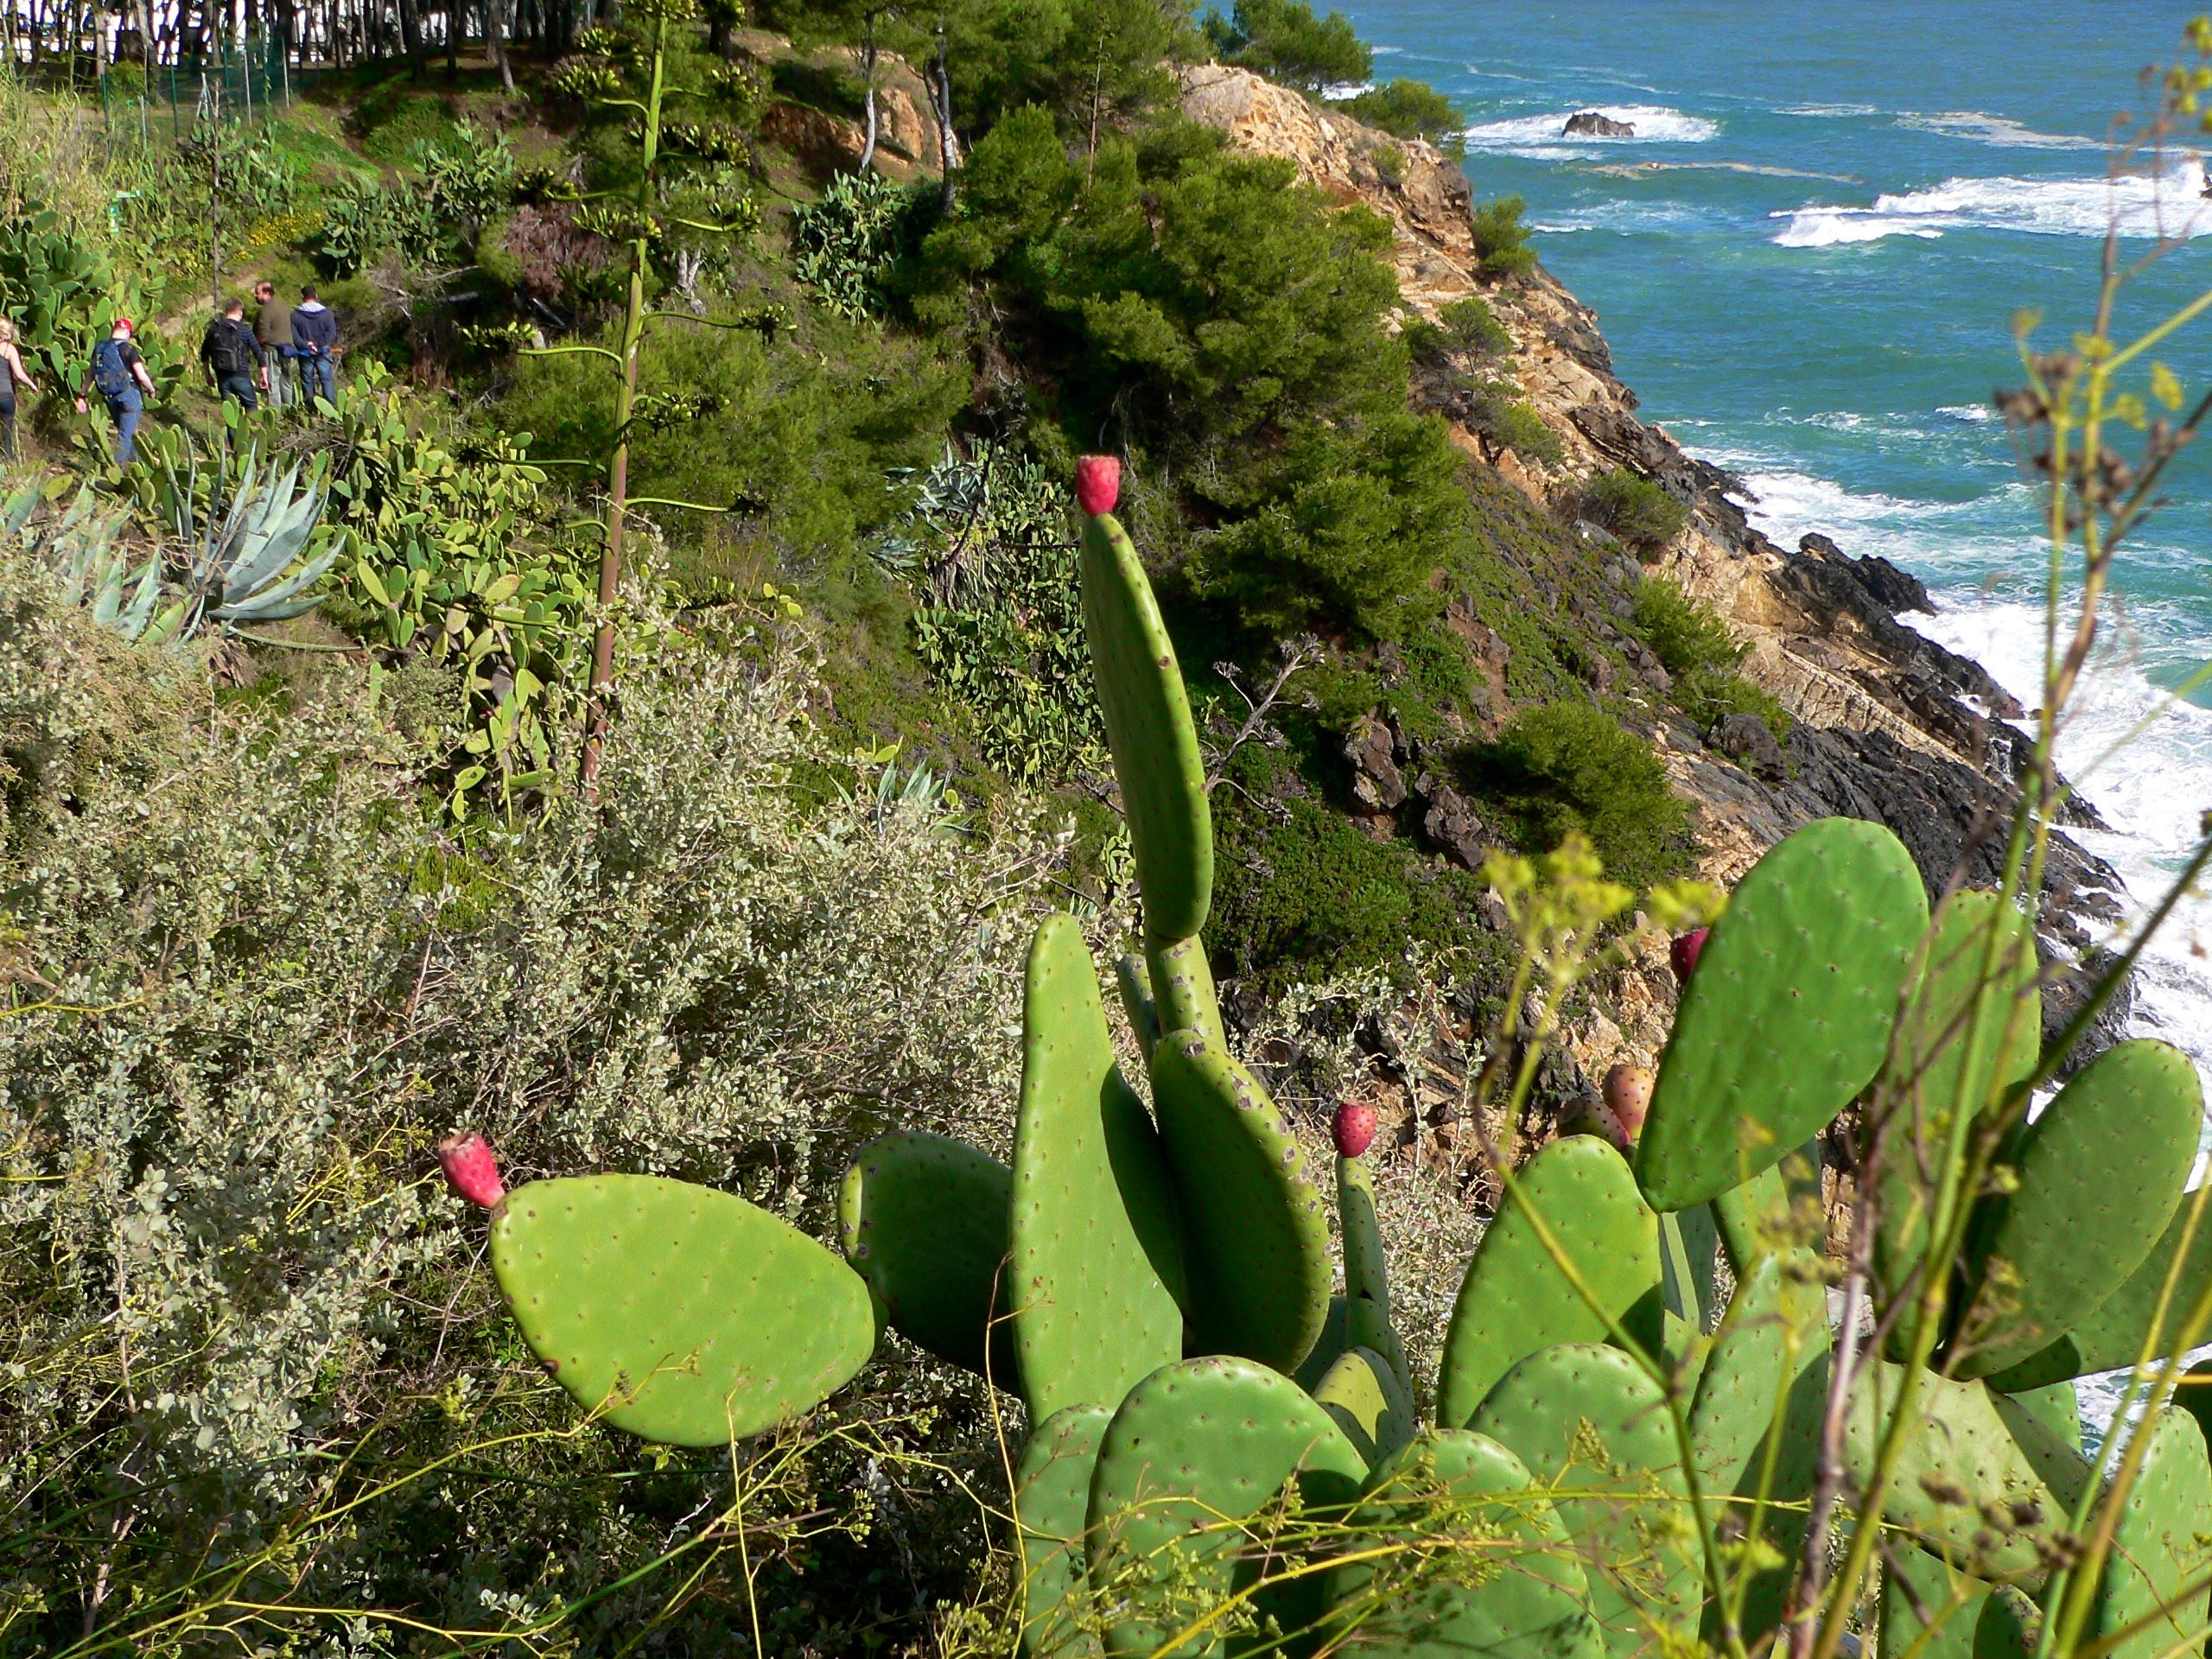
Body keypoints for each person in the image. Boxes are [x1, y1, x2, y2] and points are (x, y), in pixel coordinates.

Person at [73, 317, 156, 466]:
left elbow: (90, 374)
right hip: (130, 396)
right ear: (128, 333)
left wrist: (82, 396)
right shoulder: (129, 349)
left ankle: (139, 467)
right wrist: (151, 390)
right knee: (125, 437)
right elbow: (141, 376)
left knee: (128, 434)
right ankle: (116, 470)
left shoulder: (100, 349)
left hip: (111, 398)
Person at [201, 298, 263, 410]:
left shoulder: (214, 328)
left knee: (230, 410)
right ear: (240, 312)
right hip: (241, 375)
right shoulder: (245, 330)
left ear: (226, 311)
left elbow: (204, 353)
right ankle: (249, 421)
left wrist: (208, 375)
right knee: (251, 408)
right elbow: (258, 353)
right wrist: (264, 375)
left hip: (222, 377)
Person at [292, 283, 340, 407]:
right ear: (316, 296)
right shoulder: (327, 313)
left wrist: (307, 345)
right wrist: (318, 344)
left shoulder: (296, 315)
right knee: (326, 380)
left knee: (307, 380)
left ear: (302, 297)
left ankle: (310, 408)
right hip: (323, 351)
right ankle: (330, 408)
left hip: (305, 352)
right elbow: (331, 334)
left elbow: (295, 337)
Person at [0, 318, 38, 461]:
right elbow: (19, 374)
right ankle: (8, 461)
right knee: (7, 434)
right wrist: (31, 385)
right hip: (6, 396)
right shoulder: (9, 349)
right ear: (7, 333)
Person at [253, 278, 295, 409]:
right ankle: (290, 410)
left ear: (267, 293)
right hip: (287, 349)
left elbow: (263, 334)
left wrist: (255, 345)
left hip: (272, 350)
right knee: (287, 382)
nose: (256, 295)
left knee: (273, 383)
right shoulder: (284, 307)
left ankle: (275, 413)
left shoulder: (265, 310)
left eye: (258, 292)